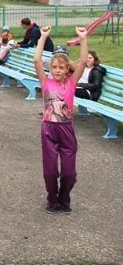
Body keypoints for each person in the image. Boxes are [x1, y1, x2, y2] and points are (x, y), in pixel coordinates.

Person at [34, 26, 87, 214]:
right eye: (54, 67)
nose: (57, 70)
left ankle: (65, 199)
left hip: (66, 130)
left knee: (69, 173)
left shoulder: (71, 83)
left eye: (61, 67)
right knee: (50, 171)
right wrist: (43, 36)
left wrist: (83, 38)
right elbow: (36, 60)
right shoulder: (45, 82)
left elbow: (81, 62)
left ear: (66, 70)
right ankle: (52, 200)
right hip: (48, 129)